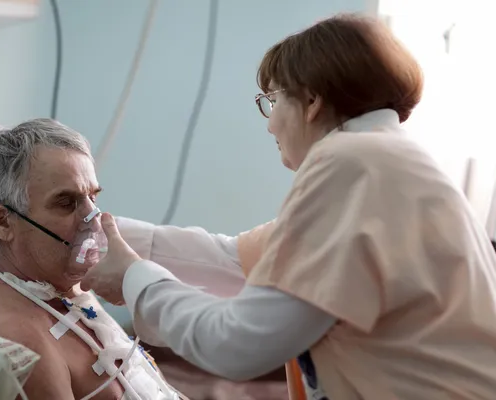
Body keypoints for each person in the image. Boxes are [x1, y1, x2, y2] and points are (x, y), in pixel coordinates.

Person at [81, 13, 496, 400]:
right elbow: (232, 257)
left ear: (312, 100)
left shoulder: (350, 164)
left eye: (272, 100)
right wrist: (90, 231)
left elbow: (239, 345)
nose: (269, 122)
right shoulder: (391, 163)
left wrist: (134, 280)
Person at [0, 119, 185, 400]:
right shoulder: (23, 349)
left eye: (92, 197)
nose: (94, 219)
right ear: (2, 222)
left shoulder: (60, 288)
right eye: (67, 203)